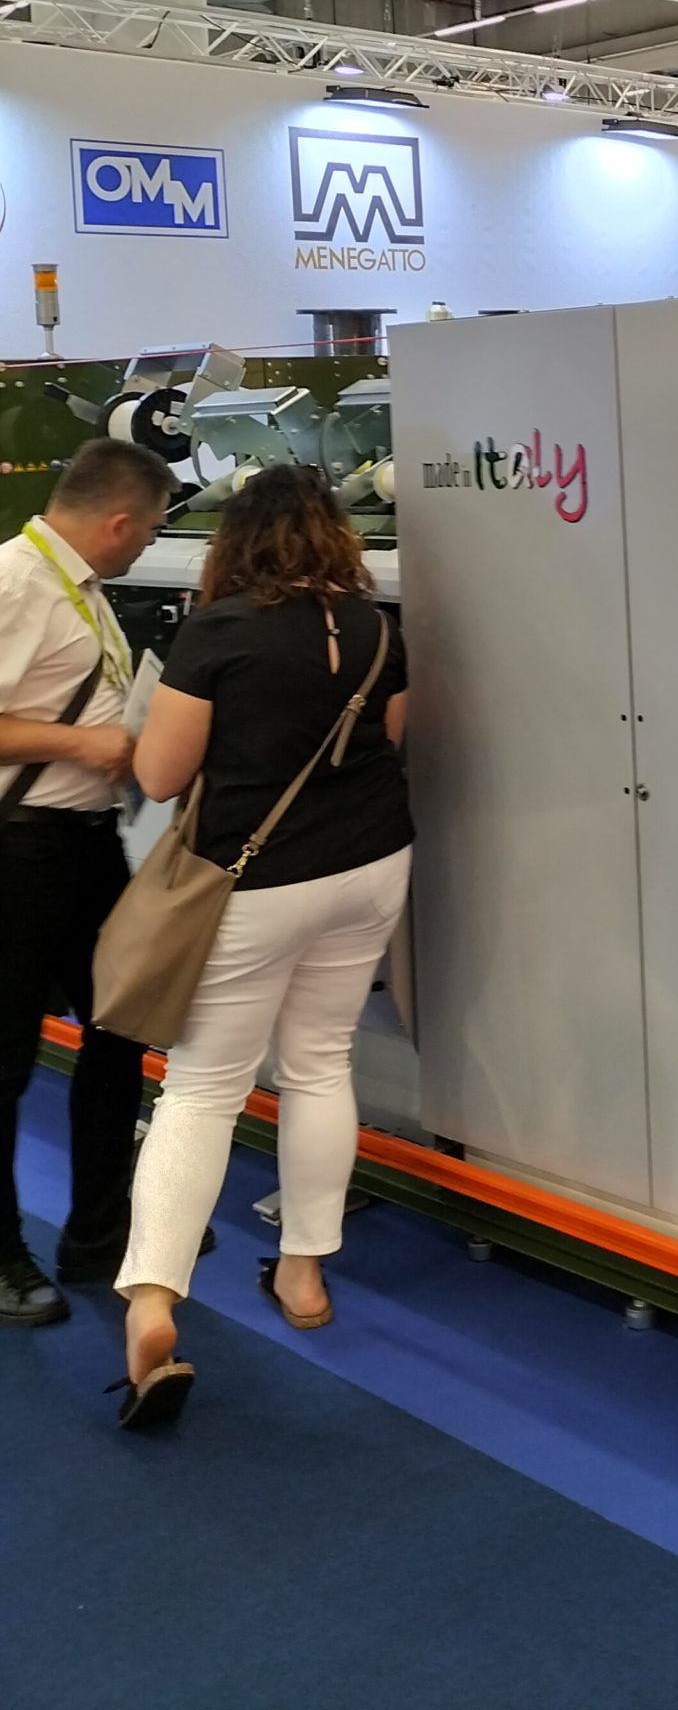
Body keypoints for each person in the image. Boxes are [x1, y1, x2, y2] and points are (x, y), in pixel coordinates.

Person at [114, 464, 411, 1429]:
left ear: (235, 541)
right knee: (321, 1061)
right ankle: (304, 1275)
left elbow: (162, 776)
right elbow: (389, 737)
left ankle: (153, 1301)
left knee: (203, 1087)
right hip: (371, 865)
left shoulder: (218, 631)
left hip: (255, 880)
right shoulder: (375, 627)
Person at [0, 439, 174, 1328]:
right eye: (150, 529)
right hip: (18, 849)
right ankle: (2, 1257)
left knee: (117, 1029)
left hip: (88, 844)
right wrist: (80, 743)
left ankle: (98, 1233)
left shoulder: (85, 592)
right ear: (117, 523)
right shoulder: (14, 583)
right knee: (5, 1060)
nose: (148, 543)